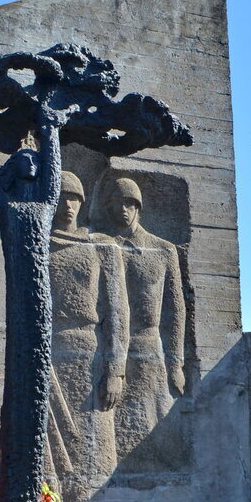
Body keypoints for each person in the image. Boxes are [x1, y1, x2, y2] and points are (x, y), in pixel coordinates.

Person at [46, 172, 128, 502]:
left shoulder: (103, 247)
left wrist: (116, 370)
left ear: (82, 203)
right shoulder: (38, 244)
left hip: (90, 353)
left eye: (73, 197)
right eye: (61, 196)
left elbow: (118, 313)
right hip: (49, 351)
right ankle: (50, 501)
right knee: (52, 438)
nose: (67, 204)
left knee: (95, 439)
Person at [104, 177, 187, 472]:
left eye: (128, 203)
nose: (122, 210)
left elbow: (175, 310)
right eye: (116, 204)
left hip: (150, 347)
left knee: (156, 420)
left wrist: (176, 363)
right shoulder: (105, 246)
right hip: (110, 348)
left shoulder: (163, 250)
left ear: (138, 207)